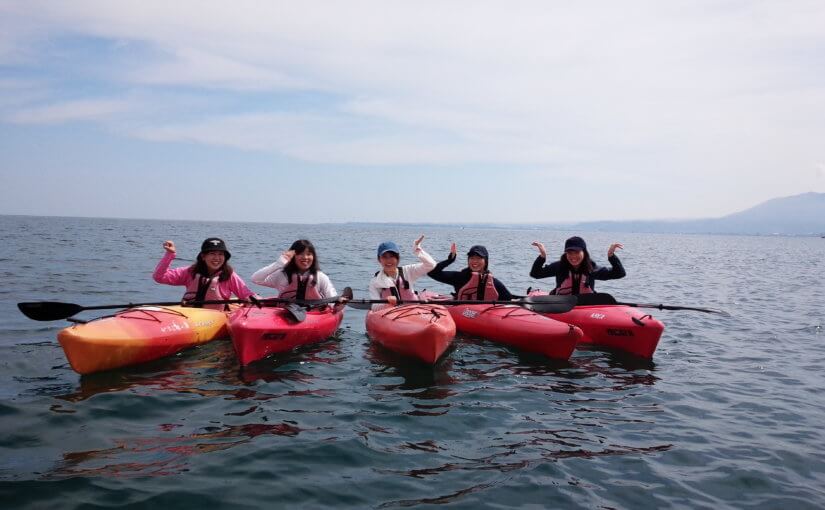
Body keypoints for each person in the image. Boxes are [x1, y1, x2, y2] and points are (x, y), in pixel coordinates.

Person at [153, 238, 255, 310]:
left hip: (216, 317)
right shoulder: (189, 272)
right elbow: (159, 277)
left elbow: (246, 294)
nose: (217, 258)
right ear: (203, 257)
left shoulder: (229, 275)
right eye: (212, 254)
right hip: (190, 315)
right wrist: (170, 254)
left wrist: (256, 301)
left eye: (220, 254)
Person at [529, 236, 625, 295]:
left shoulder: (591, 268)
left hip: (584, 307)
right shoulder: (559, 266)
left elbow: (619, 273)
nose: (573, 256)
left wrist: (611, 256)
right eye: (570, 253)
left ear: (584, 252)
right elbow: (535, 274)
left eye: (577, 252)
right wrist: (542, 257)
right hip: (562, 305)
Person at [250, 239, 337, 300]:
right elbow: (255, 279)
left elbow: (332, 299)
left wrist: (339, 304)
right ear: (292, 256)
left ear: (313, 257)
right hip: (286, 312)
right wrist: (278, 264)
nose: (305, 257)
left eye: (309, 254)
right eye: (300, 254)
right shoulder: (282, 275)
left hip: (314, 313)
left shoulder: (320, 277)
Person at [368, 235, 435, 308]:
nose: (388, 260)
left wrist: (417, 249)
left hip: (413, 311)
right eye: (384, 257)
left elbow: (431, 265)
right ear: (379, 260)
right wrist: (386, 303)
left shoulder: (408, 271)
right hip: (391, 313)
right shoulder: (375, 282)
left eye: (392, 256)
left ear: (398, 259)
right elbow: (375, 306)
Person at [428, 243, 513, 300]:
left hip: (486, 317)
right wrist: (450, 260)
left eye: (479, 258)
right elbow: (432, 273)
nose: (474, 261)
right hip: (461, 314)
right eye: (472, 258)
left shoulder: (493, 282)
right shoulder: (459, 277)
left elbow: (509, 299)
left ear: (486, 261)